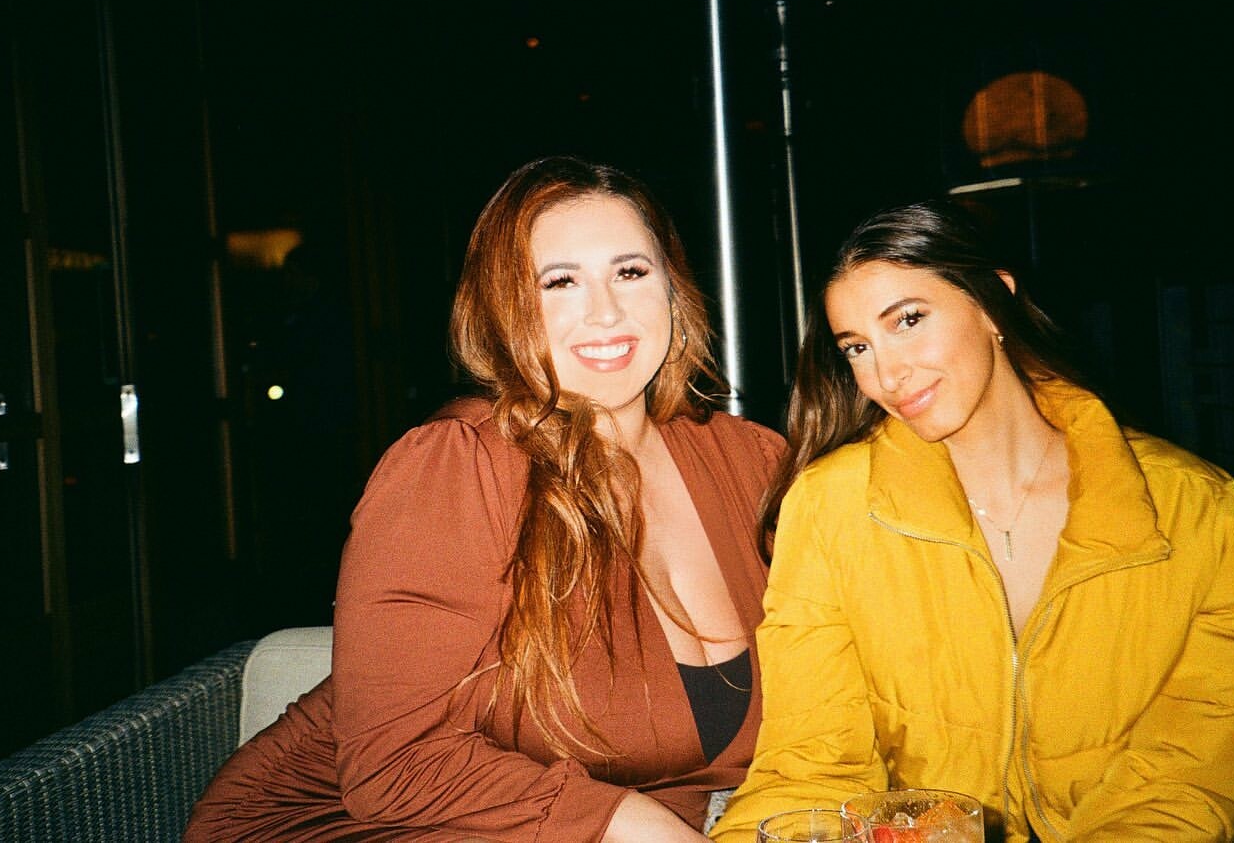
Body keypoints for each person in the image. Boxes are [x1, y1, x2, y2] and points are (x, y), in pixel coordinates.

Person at [185, 156, 785, 842]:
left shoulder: (750, 462)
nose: (606, 311)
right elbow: (393, 765)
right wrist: (633, 824)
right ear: (505, 309)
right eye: (560, 281)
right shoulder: (459, 466)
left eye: (630, 272)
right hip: (349, 822)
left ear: (673, 289)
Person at [711, 201, 1234, 842]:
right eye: (858, 348)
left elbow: (1212, 751)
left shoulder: (1194, 505)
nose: (887, 374)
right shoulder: (830, 506)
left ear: (993, 302)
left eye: (909, 321)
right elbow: (812, 760)